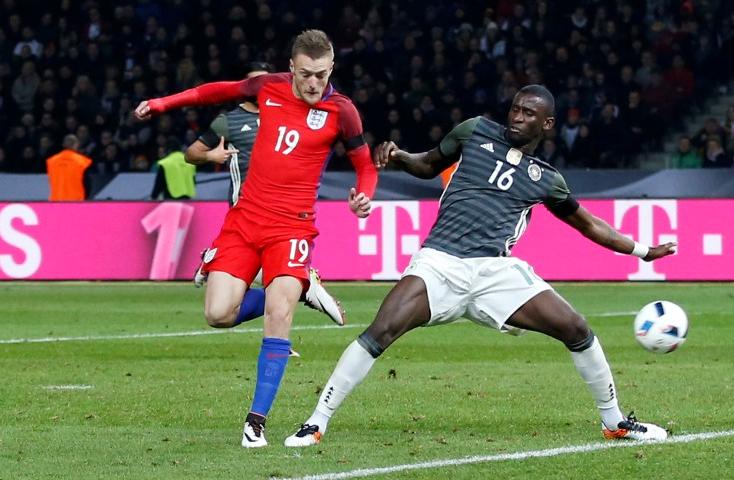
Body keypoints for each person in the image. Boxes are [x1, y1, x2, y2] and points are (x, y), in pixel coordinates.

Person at [285, 85, 676, 448]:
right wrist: (400, 156)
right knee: (380, 331)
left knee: (576, 328)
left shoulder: (546, 180)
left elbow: (591, 225)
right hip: (441, 262)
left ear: (547, 124)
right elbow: (429, 163)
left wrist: (643, 251)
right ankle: (316, 422)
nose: (518, 117)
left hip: (495, 272)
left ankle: (615, 422)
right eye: (515, 109)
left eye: (528, 113)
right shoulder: (474, 131)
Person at [134, 29, 377, 448]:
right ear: (291, 69)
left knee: (277, 313)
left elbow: (365, 166)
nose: (313, 83)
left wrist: (364, 198)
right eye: (305, 75)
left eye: (321, 74)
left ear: (331, 68)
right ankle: (304, 288)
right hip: (244, 222)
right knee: (218, 314)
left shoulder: (343, 111)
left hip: (293, 228)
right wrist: (162, 103)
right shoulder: (268, 88)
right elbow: (213, 91)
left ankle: (255, 423)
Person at [184, 61, 345, 330]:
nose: (262, 87)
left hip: (280, 211)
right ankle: (303, 285)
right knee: (243, 296)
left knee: (276, 285)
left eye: (266, 80)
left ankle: (284, 331)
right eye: (256, 82)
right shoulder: (229, 121)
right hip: (244, 208)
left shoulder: (288, 111)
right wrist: (211, 155)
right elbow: (192, 153)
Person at [46, 134, 93, 201]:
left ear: (63, 145)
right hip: (76, 201)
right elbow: (87, 184)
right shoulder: (83, 162)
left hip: (56, 201)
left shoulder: (51, 161)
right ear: (76, 145)